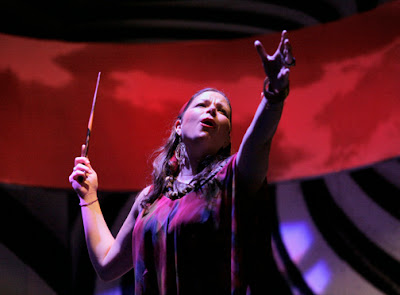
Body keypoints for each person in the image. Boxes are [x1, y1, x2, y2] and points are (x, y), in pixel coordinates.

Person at [69, 30, 295, 294]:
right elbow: (107, 265)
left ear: (226, 139)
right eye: (202, 105)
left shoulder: (234, 178)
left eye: (222, 111)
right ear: (178, 126)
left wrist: (274, 94)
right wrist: (88, 196)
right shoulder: (150, 199)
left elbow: (258, 140)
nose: (212, 110)